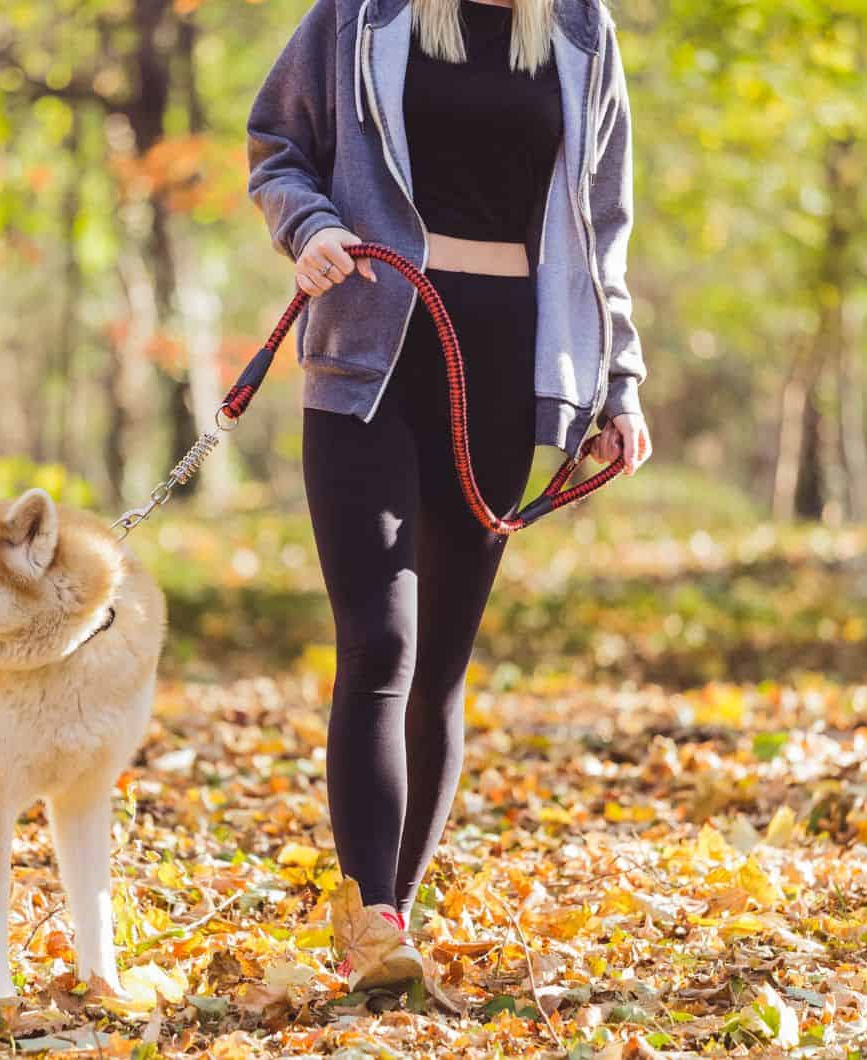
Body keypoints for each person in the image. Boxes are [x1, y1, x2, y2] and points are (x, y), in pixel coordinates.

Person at [247, 0, 649, 989]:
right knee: (379, 640)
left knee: (440, 666)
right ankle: (373, 922)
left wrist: (619, 381)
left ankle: (391, 922)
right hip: (369, 353)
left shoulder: (578, 30)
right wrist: (310, 226)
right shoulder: (360, 17)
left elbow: (601, 222)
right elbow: (277, 146)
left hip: (507, 359)